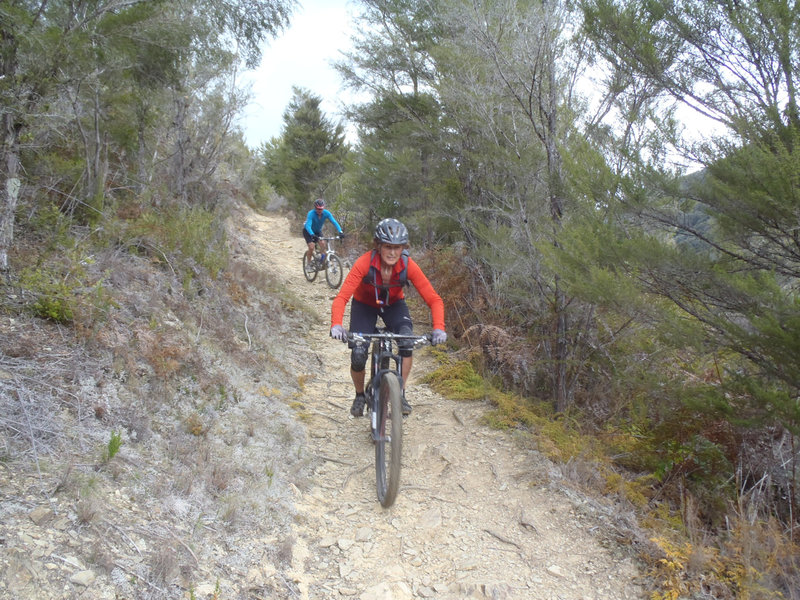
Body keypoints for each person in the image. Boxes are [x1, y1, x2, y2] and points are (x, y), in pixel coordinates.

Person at [330, 218, 447, 417]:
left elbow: (434, 299)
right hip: (364, 306)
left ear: (403, 248)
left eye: (397, 247)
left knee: (406, 342)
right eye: (387, 246)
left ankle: (399, 392)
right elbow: (341, 297)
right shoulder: (364, 263)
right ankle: (359, 395)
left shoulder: (408, 265)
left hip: (394, 305)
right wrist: (337, 325)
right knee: (358, 354)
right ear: (378, 246)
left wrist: (439, 327)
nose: (392, 252)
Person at [303, 198, 344, 265]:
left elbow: (334, 222)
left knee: (323, 245)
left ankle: (321, 261)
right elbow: (308, 226)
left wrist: (340, 231)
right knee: (311, 247)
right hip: (308, 231)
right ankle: (309, 263)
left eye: (321, 209)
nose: (320, 210)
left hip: (317, 231)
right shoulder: (311, 213)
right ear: (315, 208)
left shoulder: (326, 213)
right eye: (318, 209)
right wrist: (312, 234)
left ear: (323, 208)